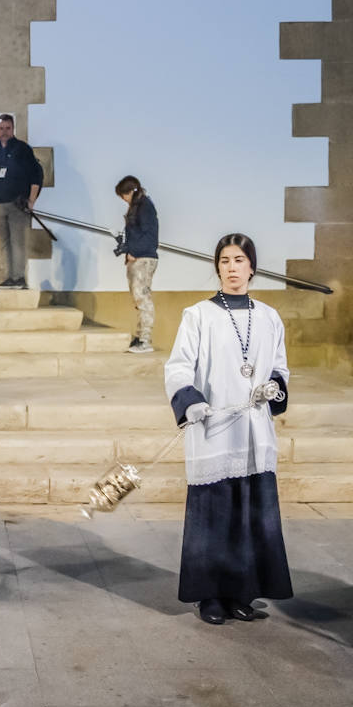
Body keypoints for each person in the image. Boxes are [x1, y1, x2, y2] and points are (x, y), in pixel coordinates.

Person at [165, 233, 293, 626]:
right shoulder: (198, 315)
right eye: (224, 261)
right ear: (217, 268)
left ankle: (241, 593)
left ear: (252, 266)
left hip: (254, 430)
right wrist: (191, 400)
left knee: (250, 515)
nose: (232, 267)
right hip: (215, 429)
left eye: (239, 260)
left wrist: (275, 386)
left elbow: (280, 366)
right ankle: (210, 598)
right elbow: (178, 366)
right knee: (214, 515)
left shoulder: (269, 316)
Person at [0, 114, 43, 290]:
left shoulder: (23, 149)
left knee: (17, 241)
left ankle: (19, 277)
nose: (4, 132)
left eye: (7, 128)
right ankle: (8, 277)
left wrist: (31, 200)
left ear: (13, 129)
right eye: (1, 128)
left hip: (17, 202)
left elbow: (36, 175)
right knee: (3, 242)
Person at [115, 176, 159, 353]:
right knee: (138, 298)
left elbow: (149, 235)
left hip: (144, 258)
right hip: (137, 257)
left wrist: (135, 251)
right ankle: (140, 336)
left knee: (143, 298)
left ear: (129, 192)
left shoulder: (145, 207)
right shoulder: (138, 207)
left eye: (123, 195)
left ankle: (145, 340)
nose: (123, 200)